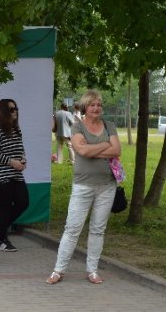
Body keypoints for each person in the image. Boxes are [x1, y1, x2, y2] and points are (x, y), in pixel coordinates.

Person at [46, 90, 121, 285]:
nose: (96, 108)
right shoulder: (77, 126)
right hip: (83, 185)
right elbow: (82, 151)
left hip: (107, 185)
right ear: (85, 107)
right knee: (72, 228)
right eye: (92, 105)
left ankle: (92, 270)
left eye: (99, 105)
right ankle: (58, 270)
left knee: (98, 229)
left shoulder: (109, 126)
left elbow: (117, 150)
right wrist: (105, 145)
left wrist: (92, 149)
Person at [0, 99, 29, 252]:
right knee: (5, 206)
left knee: (23, 202)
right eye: (11, 109)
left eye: (16, 108)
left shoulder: (16, 129)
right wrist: (12, 162)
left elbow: (20, 148)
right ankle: (1, 241)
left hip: (14, 172)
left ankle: (0, 227)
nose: (15, 111)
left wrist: (22, 159)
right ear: (3, 111)